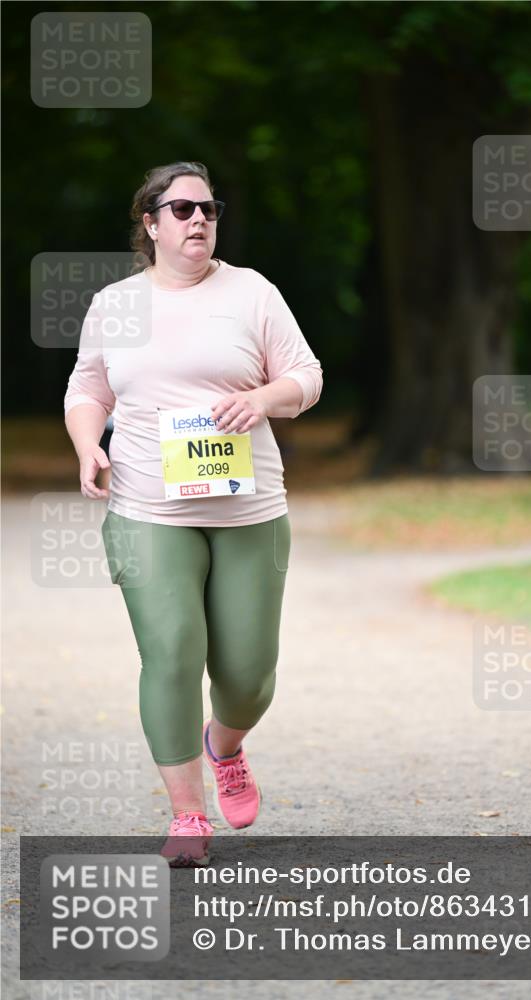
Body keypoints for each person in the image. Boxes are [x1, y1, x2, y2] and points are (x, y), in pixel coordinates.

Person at [64, 161, 323, 866]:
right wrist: (89, 445)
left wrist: (263, 401)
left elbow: (306, 375)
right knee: (172, 650)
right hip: (148, 507)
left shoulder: (252, 293)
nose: (198, 220)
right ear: (150, 224)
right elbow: (87, 386)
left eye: (207, 209)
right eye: (181, 210)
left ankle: (226, 746)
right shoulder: (116, 302)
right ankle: (187, 817)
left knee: (247, 674)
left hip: (248, 510)